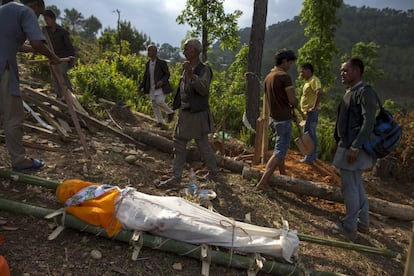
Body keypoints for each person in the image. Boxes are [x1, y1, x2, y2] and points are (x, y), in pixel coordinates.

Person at [0, 0, 61, 171]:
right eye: (39, 14)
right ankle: (19, 161)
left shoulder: (4, 10)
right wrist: (52, 56)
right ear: (35, 6)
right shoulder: (26, 11)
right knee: (13, 116)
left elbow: (16, 45)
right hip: (3, 67)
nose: (37, 17)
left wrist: (36, 49)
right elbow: (36, 43)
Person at [158, 39, 218, 188]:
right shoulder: (186, 67)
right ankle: (176, 178)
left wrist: (191, 75)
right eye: (184, 49)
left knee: (202, 144)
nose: (184, 52)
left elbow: (203, 89)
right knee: (179, 144)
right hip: (185, 112)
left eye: (187, 49)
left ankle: (213, 173)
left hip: (197, 114)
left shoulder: (203, 70)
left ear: (195, 51)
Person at [331, 58, 377, 241]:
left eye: (345, 70)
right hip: (348, 145)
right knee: (357, 185)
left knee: (349, 187)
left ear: (357, 71)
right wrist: (337, 141)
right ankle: (363, 223)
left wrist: (355, 146)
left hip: (354, 147)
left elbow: (369, 121)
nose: (342, 74)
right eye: (341, 71)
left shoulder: (365, 92)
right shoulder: (351, 92)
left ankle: (349, 228)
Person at [257, 49, 299, 191]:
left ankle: (282, 174)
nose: (290, 66)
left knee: (281, 148)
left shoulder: (268, 77)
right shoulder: (284, 77)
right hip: (283, 119)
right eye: (290, 62)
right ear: (285, 61)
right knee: (279, 151)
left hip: (274, 118)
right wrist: (296, 104)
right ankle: (263, 182)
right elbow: (292, 100)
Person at [139, 44, 174, 129]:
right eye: (148, 50)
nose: (148, 52)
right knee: (154, 105)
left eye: (150, 50)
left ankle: (170, 112)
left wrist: (162, 81)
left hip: (161, 87)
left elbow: (167, 74)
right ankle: (160, 122)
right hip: (151, 87)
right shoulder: (148, 64)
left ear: (155, 52)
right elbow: (145, 76)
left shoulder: (162, 63)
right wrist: (140, 87)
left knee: (159, 101)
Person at [43, 9, 76, 99]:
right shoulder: (45, 31)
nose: (46, 21)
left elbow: (70, 48)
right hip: (52, 58)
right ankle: (59, 96)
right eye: (45, 20)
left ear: (54, 19)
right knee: (54, 77)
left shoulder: (62, 32)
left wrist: (71, 60)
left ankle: (70, 96)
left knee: (62, 74)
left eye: (48, 19)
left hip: (63, 58)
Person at [299, 62, 322, 163]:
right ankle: (310, 154)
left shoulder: (314, 80)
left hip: (311, 113)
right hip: (306, 113)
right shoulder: (308, 82)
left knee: (310, 133)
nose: (301, 73)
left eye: (302, 71)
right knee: (307, 133)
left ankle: (311, 156)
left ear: (308, 70)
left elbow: (319, 92)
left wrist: (314, 107)